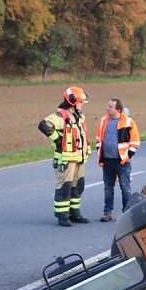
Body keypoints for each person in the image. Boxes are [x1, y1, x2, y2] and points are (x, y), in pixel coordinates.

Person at [38, 86, 91, 227]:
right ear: (73, 102)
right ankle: (62, 216)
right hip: (66, 160)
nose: (82, 105)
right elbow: (44, 125)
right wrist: (57, 139)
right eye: (81, 102)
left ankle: (75, 214)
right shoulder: (61, 115)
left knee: (77, 186)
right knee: (65, 187)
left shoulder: (78, 116)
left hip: (78, 159)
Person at [94, 98, 140, 222]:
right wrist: (100, 152)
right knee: (108, 188)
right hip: (107, 161)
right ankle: (107, 213)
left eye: (110, 106)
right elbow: (98, 138)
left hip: (122, 162)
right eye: (108, 105)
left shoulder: (128, 122)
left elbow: (135, 142)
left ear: (118, 110)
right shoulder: (103, 120)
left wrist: (127, 156)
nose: (107, 108)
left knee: (125, 188)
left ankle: (127, 214)